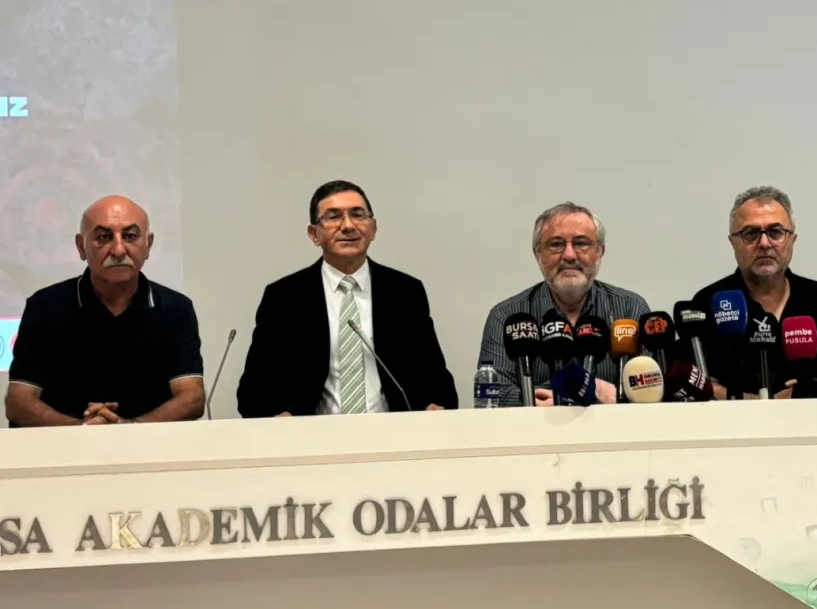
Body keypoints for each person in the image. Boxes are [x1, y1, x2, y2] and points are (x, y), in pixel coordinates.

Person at [236, 180, 457, 417]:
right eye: (333, 217)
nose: (348, 226)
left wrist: (435, 406)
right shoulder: (284, 298)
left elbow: (437, 381)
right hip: (311, 434)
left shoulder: (405, 292)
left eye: (358, 215)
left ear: (373, 228)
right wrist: (276, 417)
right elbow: (253, 390)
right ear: (314, 234)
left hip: (391, 432)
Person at [4, 195, 204, 427]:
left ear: (148, 245)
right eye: (104, 237)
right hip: (63, 445)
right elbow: (18, 402)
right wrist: (82, 431)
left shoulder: (175, 308)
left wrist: (129, 429)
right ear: (81, 246)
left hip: (148, 444)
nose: (118, 250)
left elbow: (192, 398)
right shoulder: (45, 306)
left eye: (130, 236)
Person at [691, 186, 817, 399]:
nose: (764, 243)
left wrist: (811, 390)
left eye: (775, 232)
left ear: (792, 240)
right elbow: (698, 387)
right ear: (732, 242)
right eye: (750, 233)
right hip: (733, 419)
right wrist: (756, 402)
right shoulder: (707, 302)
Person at [477, 202, 649, 406]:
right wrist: (588, 390)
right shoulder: (505, 316)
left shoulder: (630, 309)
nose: (569, 255)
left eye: (581, 243)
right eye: (556, 244)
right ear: (537, 254)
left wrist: (559, 396)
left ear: (600, 252)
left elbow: (650, 391)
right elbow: (493, 397)